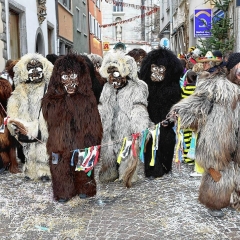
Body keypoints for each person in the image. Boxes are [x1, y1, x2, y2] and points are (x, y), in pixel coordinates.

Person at [169, 52, 240, 217]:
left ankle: (235, 198)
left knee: (237, 167)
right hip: (218, 137)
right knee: (218, 171)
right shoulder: (216, 86)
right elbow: (199, 102)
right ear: (231, 69)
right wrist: (180, 112)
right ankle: (215, 202)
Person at [42, 53, 103, 203]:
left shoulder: (86, 96)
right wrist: (61, 100)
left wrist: (93, 140)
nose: (69, 82)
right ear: (59, 78)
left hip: (83, 139)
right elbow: (49, 116)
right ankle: (63, 191)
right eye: (65, 77)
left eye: (73, 76)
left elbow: (94, 120)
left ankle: (85, 188)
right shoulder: (52, 96)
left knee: (84, 161)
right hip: (60, 140)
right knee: (60, 165)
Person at [98, 51, 150, 187]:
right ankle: (109, 171)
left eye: (116, 74)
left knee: (127, 151)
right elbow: (103, 105)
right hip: (110, 127)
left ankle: (127, 174)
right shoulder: (107, 88)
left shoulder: (137, 87)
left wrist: (139, 127)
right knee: (108, 150)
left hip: (127, 128)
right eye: (110, 75)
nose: (113, 79)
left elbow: (139, 107)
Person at [7, 53, 53, 182]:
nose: (35, 72)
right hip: (26, 124)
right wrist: (14, 122)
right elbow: (13, 105)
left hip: (43, 124)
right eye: (31, 69)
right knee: (29, 148)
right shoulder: (21, 89)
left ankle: (44, 171)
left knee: (42, 147)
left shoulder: (48, 88)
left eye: (38, 68)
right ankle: (30, 171)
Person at [139, 47, 183, 179]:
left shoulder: (173, 88)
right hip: (150, 119)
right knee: (150, 142)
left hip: (166, 121)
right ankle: (152, 168)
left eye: (161, 69)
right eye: (154, 68)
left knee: (167, 142)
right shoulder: (145, 87)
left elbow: (176, 105)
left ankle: (164, 166)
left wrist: (171, 118)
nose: (157, 72)